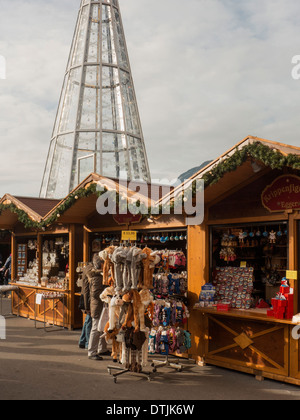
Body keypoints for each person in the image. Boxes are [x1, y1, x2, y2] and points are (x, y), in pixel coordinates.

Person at [84, 254, 110, 361]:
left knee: (102, 326)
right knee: (95, 327)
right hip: (97, 305)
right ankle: (92, 351)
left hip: (100, 305)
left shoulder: (99, 275)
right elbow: (95, 293)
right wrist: (107, 293)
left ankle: (102, 348)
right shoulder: (96, 276)